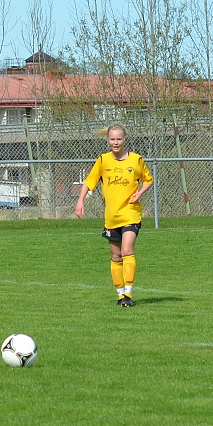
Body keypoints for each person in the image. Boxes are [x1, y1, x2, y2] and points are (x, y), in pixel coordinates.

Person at [74, 123, 153, 307]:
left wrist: (139, 194)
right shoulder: (103, 161)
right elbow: (89, 182)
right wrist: (80, 201)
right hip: (111, 217)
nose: (116, 142)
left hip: (131, 213)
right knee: (116, 256)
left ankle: (128, 294)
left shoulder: (136, 159)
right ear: (108, 140)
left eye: (119, 139)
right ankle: (120, 295)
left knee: (127, 251)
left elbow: (148, 180)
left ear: (124, 140)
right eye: (112, 139)